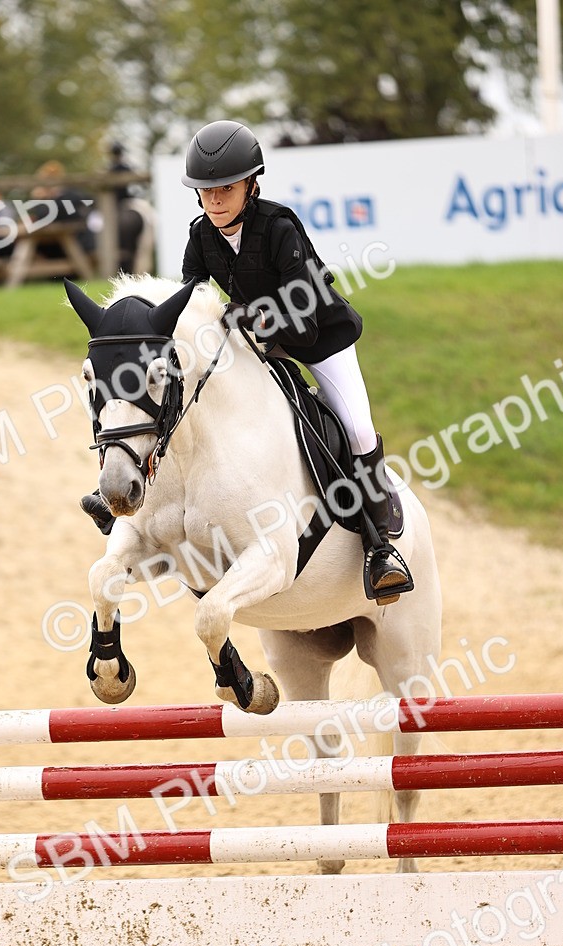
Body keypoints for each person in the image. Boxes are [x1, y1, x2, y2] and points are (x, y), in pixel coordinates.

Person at [81, 120, 412, 603]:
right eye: (206, 192)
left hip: (318, 337)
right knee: (179, 398)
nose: (215, 201)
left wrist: (248, 316)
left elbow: (304, 313)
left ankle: (380, 548)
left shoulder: (280, 228)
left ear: (251, 185)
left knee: (357, 427)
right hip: (257, 338)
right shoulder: (201, 235)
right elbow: (192, 301)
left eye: (226, 190)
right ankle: (126, 487)